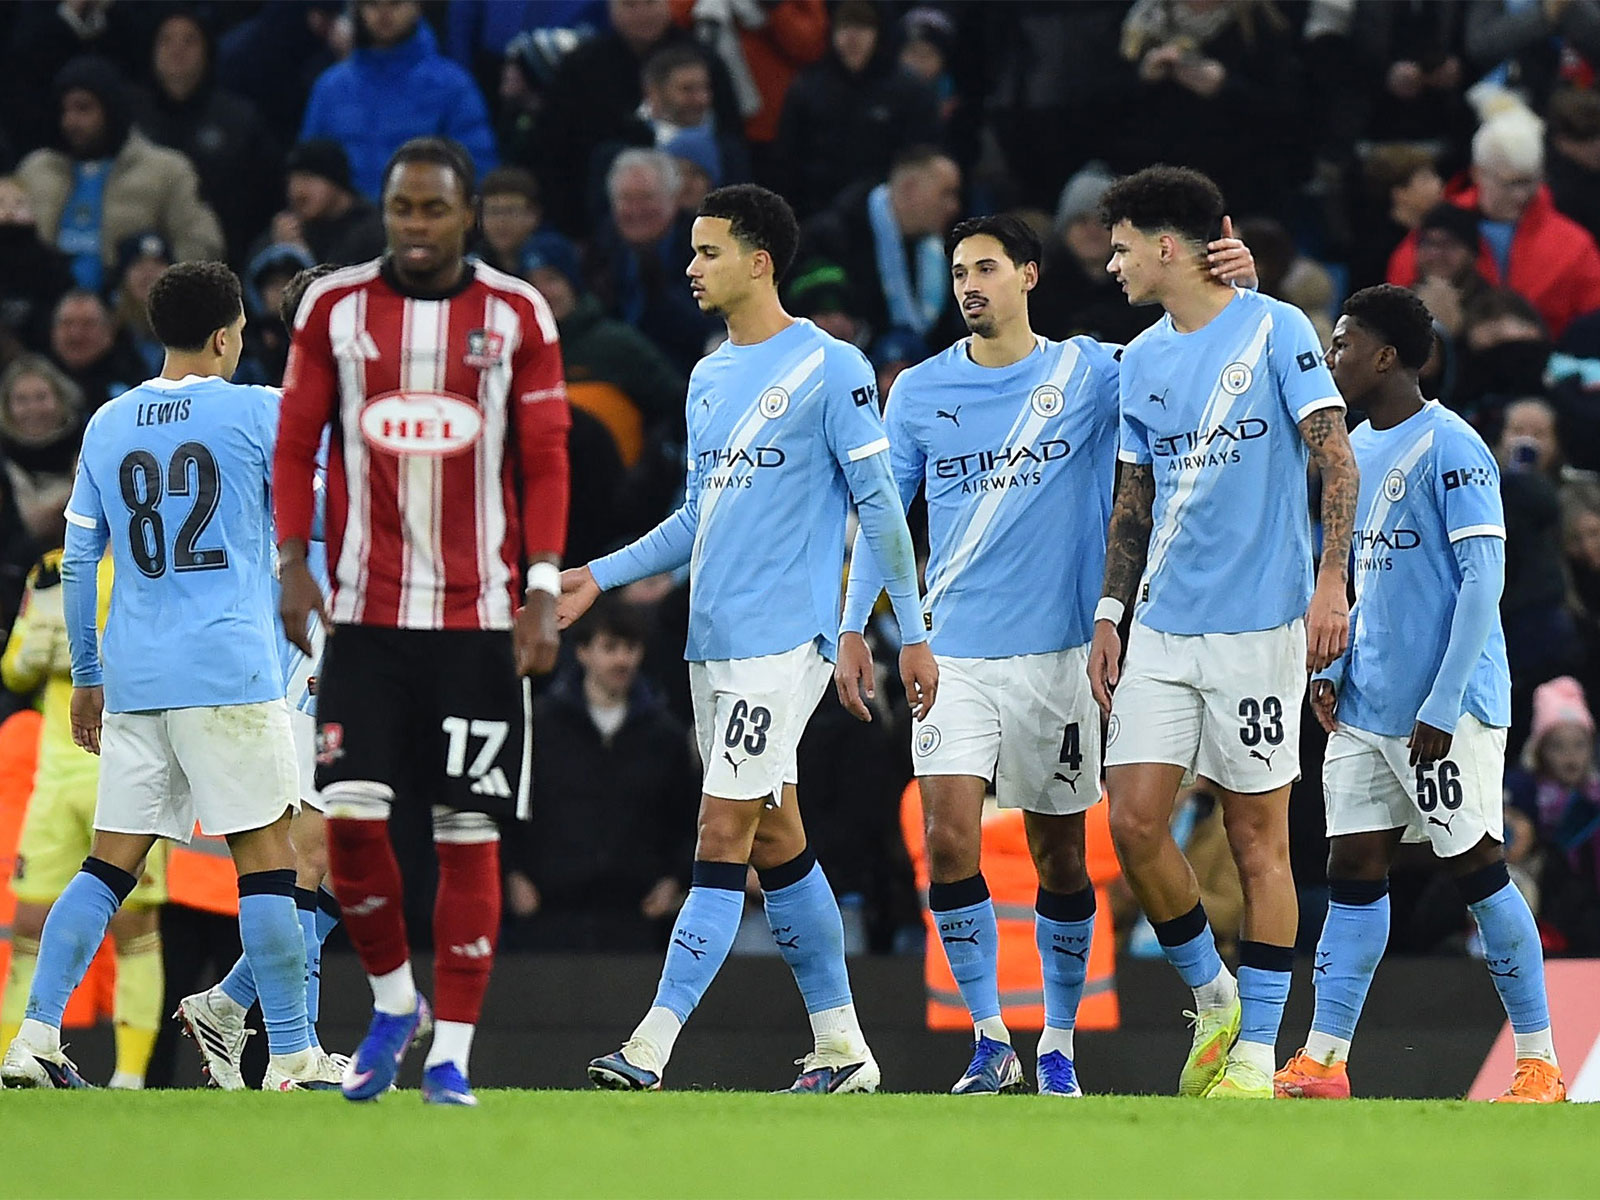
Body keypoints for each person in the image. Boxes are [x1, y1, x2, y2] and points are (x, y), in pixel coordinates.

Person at [837, 211, 1256, 1097]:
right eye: (957, 272)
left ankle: (1058, 1043)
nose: (968, 286)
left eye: (986, 268)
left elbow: (1196, 344)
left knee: (1061, 856)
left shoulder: (1094, 370)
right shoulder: (916, 389)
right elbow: (883, 521)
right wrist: (858, 629)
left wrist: (1239, 292)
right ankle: (991, 1039)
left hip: (1061, 659)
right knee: (949, 836)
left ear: (1028, 275)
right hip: (953, 655)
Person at [557, 183, 937, 1093]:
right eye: (690, 253)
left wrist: (898, 632)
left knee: (720, 828)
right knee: (774, 835)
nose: (690, 267)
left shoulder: (831, 366)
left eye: (707, 251)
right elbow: (696, 516)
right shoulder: (706, 376)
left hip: (785, 642)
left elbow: (881, 508)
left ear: (760, 260)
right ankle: (845, 1048)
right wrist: (598, 575)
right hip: (712, 640)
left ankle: (650, 1045)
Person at [275, 137, 570, 1107]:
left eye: (433, 209)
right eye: (401, 207)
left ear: (466, 213)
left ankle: (453, 1053)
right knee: (351, 829)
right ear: (385, 208)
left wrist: (537, 590)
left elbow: (544, 459)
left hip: (479, 624)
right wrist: (289, 561)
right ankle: (394, 1001)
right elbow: (295, 443)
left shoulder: (518, 314)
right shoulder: (334, 308)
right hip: (362, 617)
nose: (414, 225)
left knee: (466, 834)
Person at [0, 261, 330, 1091]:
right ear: (227, 336)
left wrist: (85, 674)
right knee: (267, 860)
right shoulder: (259, 411)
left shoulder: (109, 423)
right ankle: (290, 1053)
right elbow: (324, 509)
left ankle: (33, 1037)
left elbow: (80, 560)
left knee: (108, 866)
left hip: (135, 675)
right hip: (228, 668)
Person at [1088, 166, 1359, 1099]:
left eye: (1121, 246)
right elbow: (1134, 497)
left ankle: (1255, 1054)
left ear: (1168, 246)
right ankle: (1214, 995)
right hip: (1162, 624)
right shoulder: (1139, 361)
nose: (1111, 263)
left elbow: (1337, 458)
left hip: (1260, 627)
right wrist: (1111, 614)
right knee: (1129, 821)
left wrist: (1333, 583)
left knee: (1257, 840)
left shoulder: (1277, 328)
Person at [1276, 284, 1565, 1104]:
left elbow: (1483, 584)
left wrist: (1442, 704)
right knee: (1353, 867)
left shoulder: (1455, 447)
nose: (1331, 361)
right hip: (1366, 702)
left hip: (1448, 706)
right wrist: (1329, 669)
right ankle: (1326, 1060)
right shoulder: (1351, 453)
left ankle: (1539, 1061)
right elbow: (1353, 578)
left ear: (1386, 356)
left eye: (1342, 345)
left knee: (1476, 867)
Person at [175, 264, 348, 1091]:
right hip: (306, 656)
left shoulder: (361, 414)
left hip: (368, 647)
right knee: (311, 850)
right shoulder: (278, 420)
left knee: (352, 850)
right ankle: (297, 1051)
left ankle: (231, 1005)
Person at [0, 545, 165, 1090]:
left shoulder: (152, 560)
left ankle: (129, 1077)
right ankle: (15, 1062)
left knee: (134, 924)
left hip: (124, 760)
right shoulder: (50, 569)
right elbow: (15, 668)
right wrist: (28, 656)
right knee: (28, 921)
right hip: (55, 771)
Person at [503, 595, 697, 950]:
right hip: (548, 911)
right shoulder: (540, 726)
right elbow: (511, 804)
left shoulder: (665, 735)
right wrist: (512, 874)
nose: (622, 660)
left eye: (630, 648)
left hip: (636, 915)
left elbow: (686, 819)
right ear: (582, 652)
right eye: (610, 647)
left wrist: (673, 879)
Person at [15, 56, 223, 293]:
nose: (70, 121)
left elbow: (203, 244)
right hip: (46, 307)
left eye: (84, 108)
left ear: (111, 109)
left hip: (132, 314)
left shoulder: (167, 170)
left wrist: (157, 284)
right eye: (65, 109)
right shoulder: (35, 169)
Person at [298, 1, 498, 202]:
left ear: (418, 6)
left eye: (396, 3)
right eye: (372, 4)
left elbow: (475, 168)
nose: (384, 13)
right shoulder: (330, 87)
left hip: (423, 221)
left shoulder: (452, 85)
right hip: (344, 226)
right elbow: (309, 168)